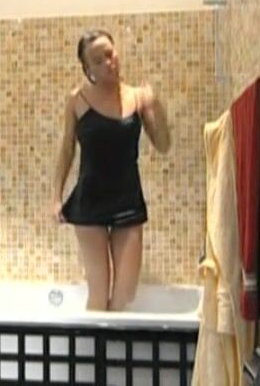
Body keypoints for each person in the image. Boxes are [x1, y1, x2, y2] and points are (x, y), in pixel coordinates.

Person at [52, 29, 171, 311]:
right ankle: (93, 341)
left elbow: (164, 145)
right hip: (89, 200)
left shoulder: (138, 98)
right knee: (98, 292)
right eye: (98, 60)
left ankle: (110, 339)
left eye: (110, 54)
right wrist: (56, 196)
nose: (108, 62)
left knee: (124, 294)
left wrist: (157, 105)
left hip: (127, 200)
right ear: (88, 69)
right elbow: (67, 150)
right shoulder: (77, 100)